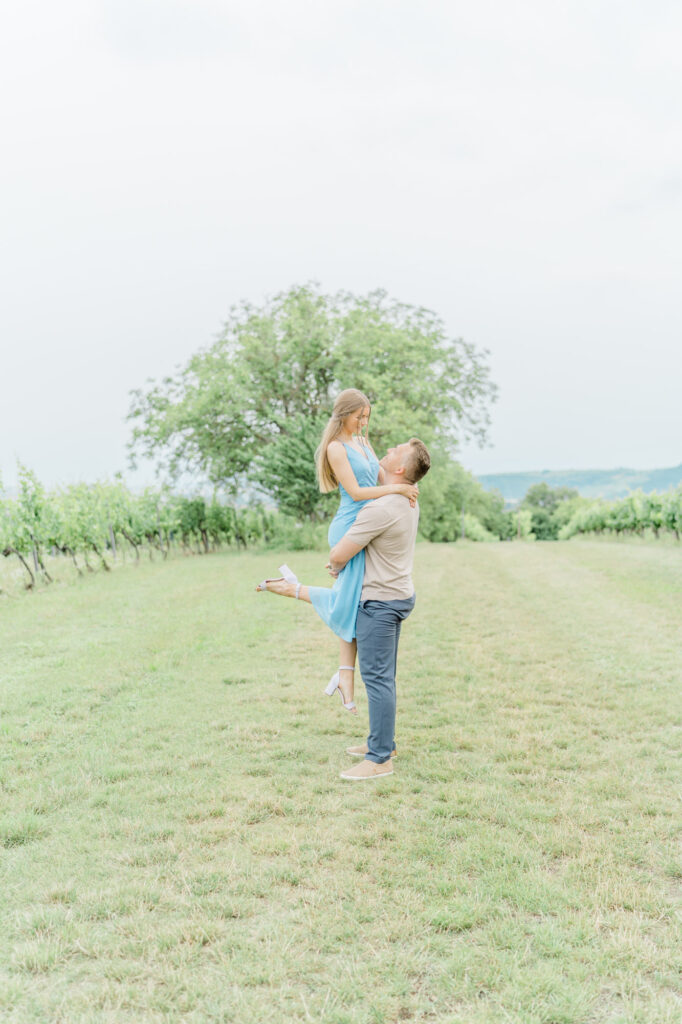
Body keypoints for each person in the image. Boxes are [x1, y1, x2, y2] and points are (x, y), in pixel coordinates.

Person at [256, 389, 418, 712]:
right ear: (343, 414)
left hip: (369, 525)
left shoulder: (361, 441)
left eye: (366, 417)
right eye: (359, 417)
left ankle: (345, 675)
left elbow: (380, 473)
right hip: (350, 525)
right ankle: (343, 672)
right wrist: (397, 488)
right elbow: (357, 492)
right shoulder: (335, 448)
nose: (363, 423)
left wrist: (407, 479)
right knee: (350, 601)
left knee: (352, 600)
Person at [327, 437, 431, 780]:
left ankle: (380, 758)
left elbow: (339, 554)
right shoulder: (404, 500)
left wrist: (336, 565)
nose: (385, 452)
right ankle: (383, 741)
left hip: (380, 602)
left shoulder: (383, 507)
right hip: (397, 594)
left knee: (377, 679)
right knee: (383, 677)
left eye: (393, 453)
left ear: (399, 469)